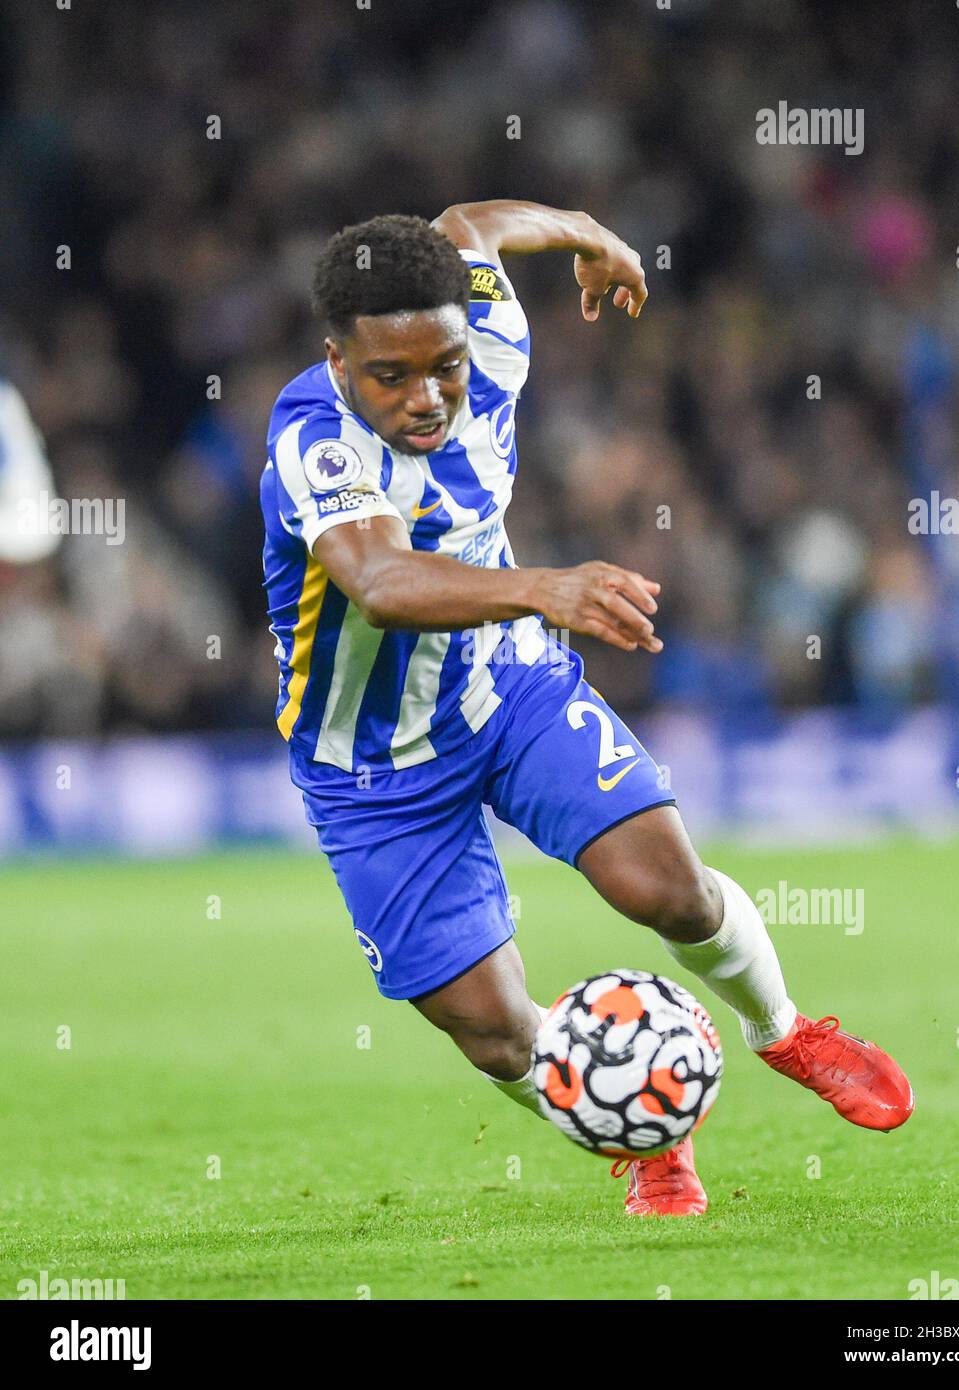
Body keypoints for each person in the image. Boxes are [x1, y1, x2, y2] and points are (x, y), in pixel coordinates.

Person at [261, 201, 913, 1217]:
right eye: (391, 376)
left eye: (445, 366)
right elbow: (382, 583)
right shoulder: (317, 439)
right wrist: (545, 588)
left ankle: (785, 1030)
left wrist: (584, 231)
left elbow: (471, 222)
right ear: (339, 362)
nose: (427, 397)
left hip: (504, 683)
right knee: (492, 1031)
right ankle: (641, 1131)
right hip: (374, 769)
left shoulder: (489, 331)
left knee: (670, 889)